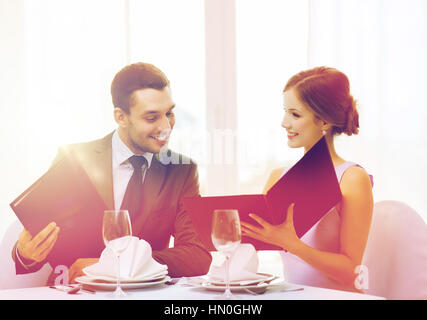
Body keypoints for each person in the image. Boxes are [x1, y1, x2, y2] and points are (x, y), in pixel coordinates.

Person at [12, 62, 212, 283]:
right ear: (121, 117)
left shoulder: (181, 171)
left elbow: (197, 256)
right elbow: (42, 240)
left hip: (143, 296)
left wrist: (117, 266)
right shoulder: (74, 160)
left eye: (169, 113)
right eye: (152, 117)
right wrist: (26, 254)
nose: (166, 126)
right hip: (76, 293)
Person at [241, 66, 374, 292]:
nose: (284, 122)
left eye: (295, 114)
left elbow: (351, 270)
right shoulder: (278, 177)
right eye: (285, 111)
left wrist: (292, 245)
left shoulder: (351, 178)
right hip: (293, 295)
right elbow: (258, 241)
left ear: (324, 122)